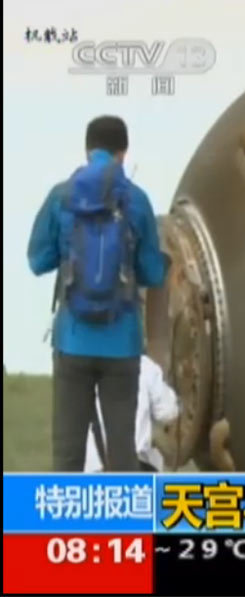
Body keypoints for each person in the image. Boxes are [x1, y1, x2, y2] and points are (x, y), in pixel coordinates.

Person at [27, 115, 168, 471]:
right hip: (122, 345)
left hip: (72, 341)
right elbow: (152, 273)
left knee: (68, 454)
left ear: (88, 150)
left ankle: (65, 524)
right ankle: (124, 525)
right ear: (124, 151)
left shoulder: (62, 196)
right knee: (123, 454)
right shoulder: (137, 200)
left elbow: (37, 260)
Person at [84, 354, 179, 472]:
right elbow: (168, 412)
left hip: (93, 468)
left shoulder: (81, 369)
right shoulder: (144, 365)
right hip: (135, 465)